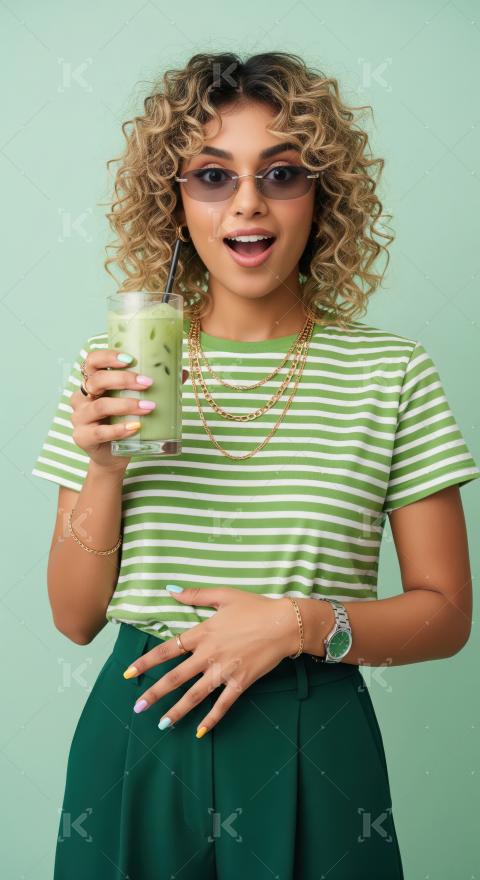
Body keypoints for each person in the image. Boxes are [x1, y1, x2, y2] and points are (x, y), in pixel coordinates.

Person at [32, 51, 479, 880]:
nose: (247, 201)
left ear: (323, 195)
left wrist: (297, 622)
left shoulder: (394, 373)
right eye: (211, 175)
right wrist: (101, 467)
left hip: (315, 730)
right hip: (138, 727)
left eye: (281, 172)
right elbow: (75, 617)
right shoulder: (115, 364)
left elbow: (448, 614)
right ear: (174, 200)